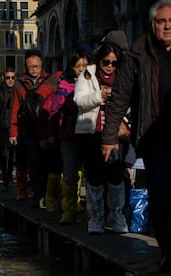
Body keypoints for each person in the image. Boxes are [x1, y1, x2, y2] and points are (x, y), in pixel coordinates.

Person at [102, 0, 171, 271]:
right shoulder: (137, 53)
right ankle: (167, 249)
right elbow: (119, 97)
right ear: (152, 24)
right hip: (154, 138)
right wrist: (109, 137)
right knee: (162, 195)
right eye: (161, 22)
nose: (167, 27)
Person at [74, 38, 128, 235]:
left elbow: (129, 102)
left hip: (114, 134)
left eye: (114, 63)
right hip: (91, 133)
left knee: (115, 177)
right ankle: (96, 219)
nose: (110, 67)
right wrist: (99, 97)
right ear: (100, 60)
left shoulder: (123, 76)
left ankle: (115, 216)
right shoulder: (87, 75)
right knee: (94, 177)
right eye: (106, 62)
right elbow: (78, 100)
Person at [9, 49, 57, 205]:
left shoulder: (51, 81)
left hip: (48, 127)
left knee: (49, 163)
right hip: (29, 129)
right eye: (31, 67)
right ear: (26, 66)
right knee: (34, 164)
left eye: (36, 66)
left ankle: (49, 196)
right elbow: (15, 108)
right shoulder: (19, 84)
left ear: (41, 64)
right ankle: (38, 195)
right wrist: (13, 132)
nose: (34, 70)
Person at [48, 49, 89, 223]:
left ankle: (91, 213)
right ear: (71, 68)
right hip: (69, 135)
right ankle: (69, 210)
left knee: (90, 175)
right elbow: (55, 110)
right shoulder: (64, 85)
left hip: (89, 135)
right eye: (77, 66)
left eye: (84, 65)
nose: (81, 69)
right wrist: (52, 132)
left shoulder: (93, 83)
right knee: (70, 173)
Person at [0, 67, 17, 191]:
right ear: (3, 78)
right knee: (4, 156)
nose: (10, 80)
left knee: (15, 156)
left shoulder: (18, 91)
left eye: (13, 77)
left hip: (16, 127)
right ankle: (6, 181)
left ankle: (14, 180)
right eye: (8, 77)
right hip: (2, 128)